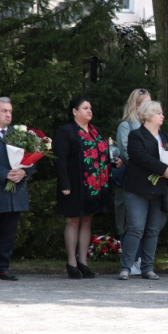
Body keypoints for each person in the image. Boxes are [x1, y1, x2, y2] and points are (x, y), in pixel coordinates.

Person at [54, 97, 117, 279]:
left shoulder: (96, 131)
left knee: (87, 221)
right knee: (73, 220)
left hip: (95, 186)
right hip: (74, 185)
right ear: (74, 111)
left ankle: (83, 262)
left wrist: (115, 161)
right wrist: (64, 184)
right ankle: (71, 263)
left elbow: (104, 153)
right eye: (85, 108)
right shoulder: (66, 132)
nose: (89, 111)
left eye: (90, 108)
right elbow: (61, 160)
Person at [119, 100, 168, 280]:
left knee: (153, 230)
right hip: (138, 189)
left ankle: (147, 267)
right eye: (159, 113)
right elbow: (141, 157)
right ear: (149, 115)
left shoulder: (165, 137)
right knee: (135, 229)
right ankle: (125, 267)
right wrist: (163, 169)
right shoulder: (136, 135)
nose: (162, 116)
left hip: (159, 190)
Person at [0, 97, 35, 281]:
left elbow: (32, 158)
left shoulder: (20, 135)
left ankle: (3, 267)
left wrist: (23, 173)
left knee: (8, 232)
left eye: (10, 111)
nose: (8, 114)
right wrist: (4, 174)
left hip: (14, 194)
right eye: (4, 111)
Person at [116, 88, 151, 275]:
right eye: (147, 103)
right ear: (136, 105)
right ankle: (130, 261)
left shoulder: (150, 125)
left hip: (149, 181)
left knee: (145, 223)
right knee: (129, 222)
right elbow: (126, 153)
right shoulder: (126, 126)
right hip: (131, 180)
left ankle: (141, 260)